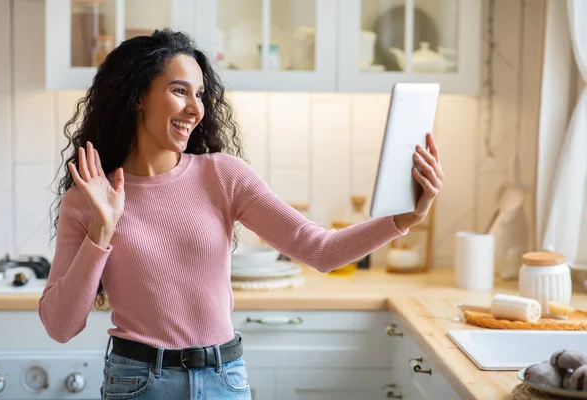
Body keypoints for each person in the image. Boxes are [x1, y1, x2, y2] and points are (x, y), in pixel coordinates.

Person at [39, 29, 443, 400]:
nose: (194, 108)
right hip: (137, 382)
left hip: (223, 380)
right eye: (180, 91)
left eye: (200, 94)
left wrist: (404, 219)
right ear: (138, 96)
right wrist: (101, 230)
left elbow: (320, 250)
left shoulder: (222, 175)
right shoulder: (89, 199)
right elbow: (60, 326)